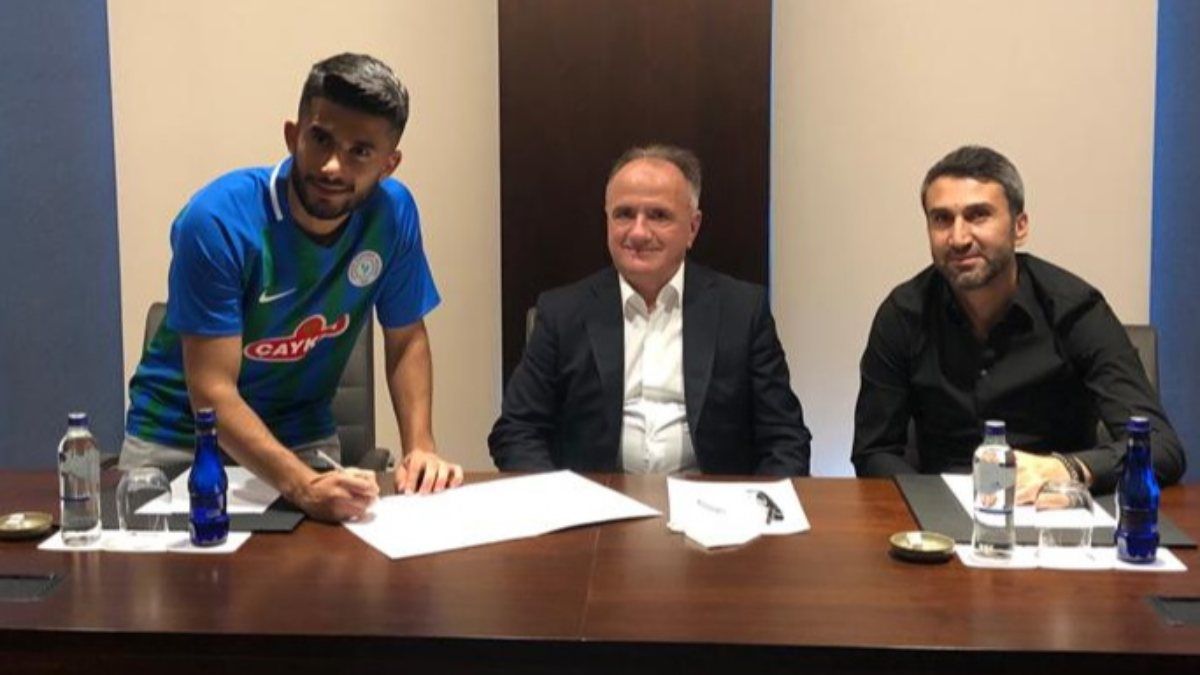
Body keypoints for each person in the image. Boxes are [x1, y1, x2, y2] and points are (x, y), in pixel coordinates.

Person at [121, 53, 463, 522]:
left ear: (389, 164)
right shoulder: (217, 220)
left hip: (302, 438)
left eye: (360, 151)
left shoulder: (392, 215)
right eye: (320, 139)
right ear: (292, 135)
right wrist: (302, 487)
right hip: (180, 440)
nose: (333, 166)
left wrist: (420, 448)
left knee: (324, 568)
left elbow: (406, 339)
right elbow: (212, 391)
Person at [852, 145, 1186, 500]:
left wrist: (1068, 469)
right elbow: (874, 452)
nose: (959, 238)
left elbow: (1161, 447)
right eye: (942, 219)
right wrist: (934, 504)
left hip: (1055, 510)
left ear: (1020, 226)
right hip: (938, 514)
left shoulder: (1075, 310)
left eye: (978, 215)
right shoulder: (903, 315)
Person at [489, 144, 811, 475]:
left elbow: (785, 439)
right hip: (596, 500)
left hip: (711, 500)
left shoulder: (741, 311)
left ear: (693, 227)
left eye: (658, 216)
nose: (639, 232)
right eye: (624, 214)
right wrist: (558, 496)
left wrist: (756, 502)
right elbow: (517, 431)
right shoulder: (562, 312)